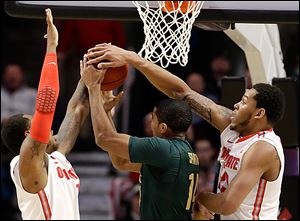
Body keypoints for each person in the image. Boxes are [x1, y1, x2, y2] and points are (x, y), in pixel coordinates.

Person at [85, 43, 286, 220]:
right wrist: (133, 59)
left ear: (259, 113)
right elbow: (181, 92)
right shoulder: (231, 126)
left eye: (243, 102)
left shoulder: (263, 148)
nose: (235, 104)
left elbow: (226, 204)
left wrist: (199, 198)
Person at [1, 9, 96, 219]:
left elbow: (77, 110)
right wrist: (52, 47)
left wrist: (87, 78)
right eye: (35, 124)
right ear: (29, 136)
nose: (48, 128)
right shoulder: (25, 164)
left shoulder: (55, 159)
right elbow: (46, 102)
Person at [80, 57, 200, 220]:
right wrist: (106, 113)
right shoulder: (183, 151)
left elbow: (103, 138)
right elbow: (120, 162)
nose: (151, 124)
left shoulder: (163, 149)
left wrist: (93, 88)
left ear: (163, 128)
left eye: (153, 120)